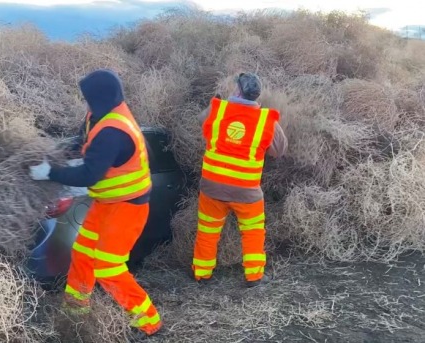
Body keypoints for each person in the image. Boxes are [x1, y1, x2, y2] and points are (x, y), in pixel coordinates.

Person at [28, 69, 161, 336]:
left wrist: (49, 172)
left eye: (87, 98)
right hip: (105, 202)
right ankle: (76, 314)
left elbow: (89, 174)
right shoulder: (102, 114)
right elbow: (84, 140)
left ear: (97, 98)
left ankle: (148, 322)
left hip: (128, 207)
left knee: (108, 266)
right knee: (83, 253)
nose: (84, 103)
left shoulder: (114, 131)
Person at [193, 72, 288, 287]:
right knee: (253, 232)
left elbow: (202, 123)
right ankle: (254, 277)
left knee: (208, 231)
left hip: (212, 188)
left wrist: (217, 103)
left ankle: (202, 274)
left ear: (237, 89)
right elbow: (279, 150)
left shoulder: (218, 109)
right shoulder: (265, 119)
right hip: (246, 192)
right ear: (257, 95)